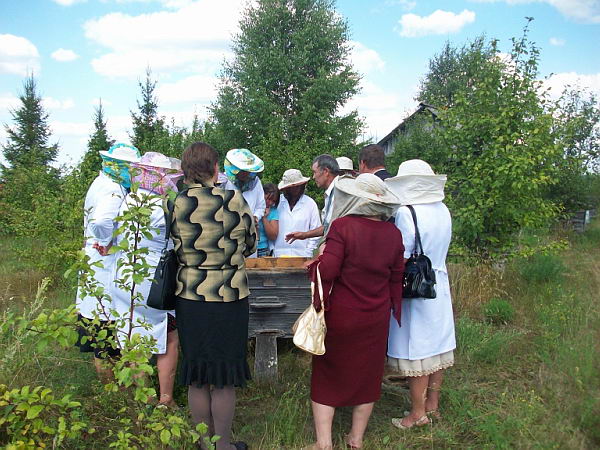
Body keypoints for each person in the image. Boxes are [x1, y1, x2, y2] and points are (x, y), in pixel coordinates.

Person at [307, 174, 405, 450]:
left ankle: (323, 442)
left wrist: (318, 260)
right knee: (367, 375)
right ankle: (356, 439)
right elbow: (397, 275)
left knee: (327, 372)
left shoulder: (342, 227)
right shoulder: (393, 233)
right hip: (376, 316)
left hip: (343, 315)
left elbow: (327, 271)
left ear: (354, 199)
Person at [170, 142, 256, 450]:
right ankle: (224, 447)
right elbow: (251, 244)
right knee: (223, 375)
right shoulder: (234, 199)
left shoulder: (177, 203)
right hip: (230, 298)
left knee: (197, 374)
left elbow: (172, 246)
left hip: (191, 298)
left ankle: (204, 445)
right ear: (215, 168)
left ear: (186, 169)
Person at [385, 159, 456, 429]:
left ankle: (417, 414)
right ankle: (432, 406)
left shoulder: (407, 212)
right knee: (437, 346)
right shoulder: (443, 209)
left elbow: (401, 255)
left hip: (416, 287)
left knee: (418, 349)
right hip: (439, 280)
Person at [111, 152, 183, 408]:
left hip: (123, 276)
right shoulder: (162, 205)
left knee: (133, 334)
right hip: (153, 280)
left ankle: (144, 397)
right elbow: (177, 242)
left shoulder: (128, 199)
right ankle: (165, 398)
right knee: (168, 336)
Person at [75, 143, 141, 379]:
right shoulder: (112, 190)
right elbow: (102, 221)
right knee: (106, 338)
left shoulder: (101, 182)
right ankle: (113, 393)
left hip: (95, 266)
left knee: (102, 334)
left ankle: (112, 393)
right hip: (104, 267)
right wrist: (107, 240)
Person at [285, 154, 339, 243]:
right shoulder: (331, 193)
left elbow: (332, 227)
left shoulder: (338, 192)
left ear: (325, 171)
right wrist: (304, 235)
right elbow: (327, 226)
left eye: (315, 172)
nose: (313, 177)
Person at [272, 169, 321, 257]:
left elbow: (316, 231)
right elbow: (270, 228)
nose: (295, 190)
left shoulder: (310, 203)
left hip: (303, 255)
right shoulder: (277, 202)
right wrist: (272, 249)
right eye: (291, 187)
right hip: (278, 255)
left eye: (297, 186)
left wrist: (308, 251)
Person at [222, 148, 266, 221]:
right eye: (242, 170)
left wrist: (255, 217)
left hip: (250, 229)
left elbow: (260, 207)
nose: (245, 173)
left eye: (247, 170)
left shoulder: (256, 182)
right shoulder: (222, 182)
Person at [257, 183, 280, 257]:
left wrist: (264, 218)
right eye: (268, 199)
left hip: (263, 249)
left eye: (273, 201)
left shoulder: (273, 212)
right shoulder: (253, 205)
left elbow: (273, 236)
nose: (270, 203)